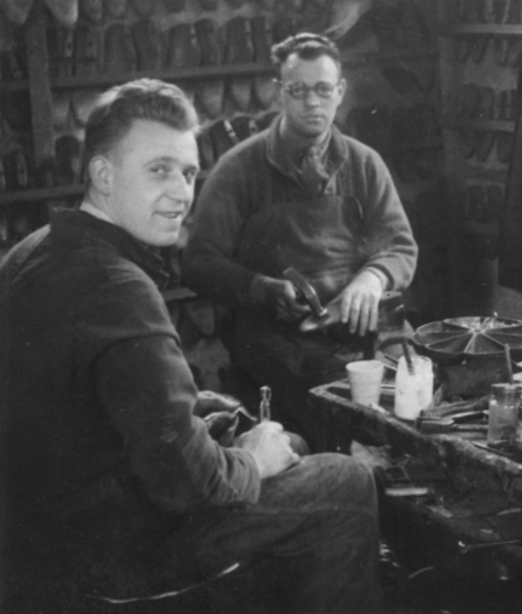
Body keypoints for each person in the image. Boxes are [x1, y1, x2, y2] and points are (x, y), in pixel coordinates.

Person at [0, 79, 381, 612]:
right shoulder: (117, 287)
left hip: (36, 546)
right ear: (103, 175)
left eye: (188, 173)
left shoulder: (34, 249)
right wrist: (251, 461)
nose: (182, 193)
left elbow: (94, 404)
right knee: (345, 481)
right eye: (159, 170)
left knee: (276, 441)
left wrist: (196, 412)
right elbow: (191, 484)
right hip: (104, 564)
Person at [181, 33, 417, 441]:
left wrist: (373, 278)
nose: (312, 102)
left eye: (323, 89)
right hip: (276, 337)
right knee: (338, 418)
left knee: (418, 390)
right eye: (298, 90)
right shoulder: (238, 170)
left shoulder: (365, 164)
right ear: (279, 93)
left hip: (364, 327)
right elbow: (198, 263)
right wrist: (261, 288)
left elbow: (400, 247)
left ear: (340, 92)